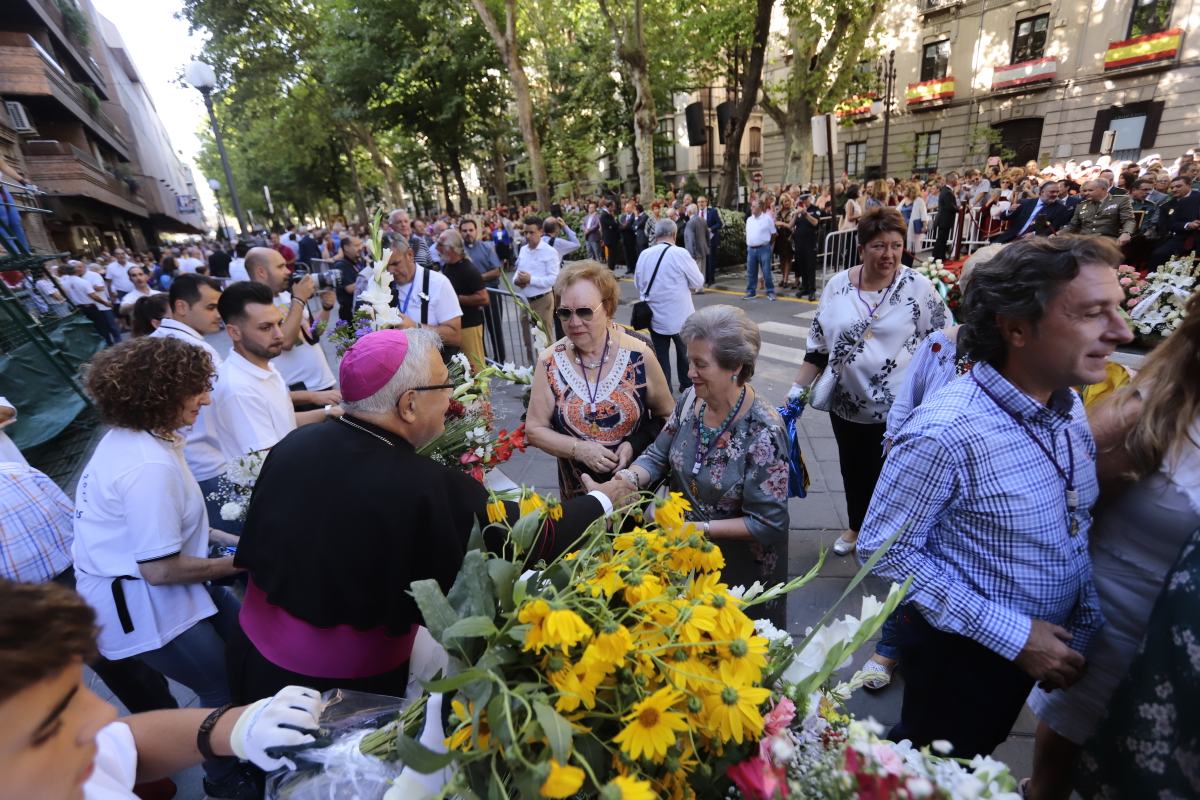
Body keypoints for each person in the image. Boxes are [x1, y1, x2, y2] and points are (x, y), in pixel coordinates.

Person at [226, 328, 621, 701]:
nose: (451, 400)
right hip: (336, 692)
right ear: (409, 404)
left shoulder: (297, 443)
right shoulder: (425, 485)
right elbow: (526, 538)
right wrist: (604, 499)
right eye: (444, 386)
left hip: (250, 663)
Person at [856, 236, 1133, 759]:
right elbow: (884, 547)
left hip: (1039, 650)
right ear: (1017, 328)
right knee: (937, 765)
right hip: (964, 658)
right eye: (1094, 314)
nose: (1122, 331)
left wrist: (1082, 621)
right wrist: (1015, 636)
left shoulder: (1068, 404)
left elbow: (1072, 524)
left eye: (1115, 309)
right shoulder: (946, 432)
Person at [1024, 291, 1200, 800]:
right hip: (1116, 635)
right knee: (1058, 779)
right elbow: (1054, 507)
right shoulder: (1154, 409)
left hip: (1188, 660)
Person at [71, 337, 253, 798]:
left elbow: (177, 530)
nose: (207, 399)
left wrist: (239, 543)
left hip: (156, 584)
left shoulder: (146, 437)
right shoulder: (147, 466)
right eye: (195, 390)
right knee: (219, 685)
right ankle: (224, 778)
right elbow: (160, 568)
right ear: (157, 394)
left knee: (246, 646)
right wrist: (239, 562)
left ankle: (245, 739)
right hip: (146, 603)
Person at [0, 579, 323, 800]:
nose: (105, 714)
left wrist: (236, 727)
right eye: (51, 721)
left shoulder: (56, 762)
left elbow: (126, 744)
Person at [591, 305, 791, 627]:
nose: (690, 372)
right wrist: (623, 482)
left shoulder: (764, 430)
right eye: (689, 360)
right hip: (684, 554)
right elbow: (658, 455)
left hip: (739, 569)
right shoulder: (690, 400)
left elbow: (769, 523)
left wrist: (698, 530)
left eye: (700, 364)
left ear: (735, 367)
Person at [788, 208, 948, 556]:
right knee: (853, 469)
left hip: (900, 408)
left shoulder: (917, 287)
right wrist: (796, 393)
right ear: (861, 248)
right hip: (847, 403)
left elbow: (943, 341)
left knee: (894, 474)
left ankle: (893, 536)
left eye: (895, 245)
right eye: (878, 246)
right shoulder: (837, 286)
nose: (888, 254)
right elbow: (818, 346)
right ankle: (857, 527)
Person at [527, 260, 674, 499]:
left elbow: (669, 416)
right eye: (565, 313)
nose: (574, 323)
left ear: (607, 308)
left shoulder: (638, 354)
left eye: (584, 311)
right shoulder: (549, 362)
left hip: (634, 493)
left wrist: (635, 444)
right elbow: (534, 429)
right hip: (578, 497)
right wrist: (578, 449)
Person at [149, 274, 229, 525]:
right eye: (211, 307)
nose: (219, 314)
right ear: (181, 307)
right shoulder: (194, 349)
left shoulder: (157, 342)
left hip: (188, 460)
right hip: (208, 463)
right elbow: (226, 401)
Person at [244, 247, 340, 409]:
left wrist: (326, 309)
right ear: (261, 272)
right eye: (281, 267)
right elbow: (285, 342)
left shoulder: (288, 296)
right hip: (301, 394)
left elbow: (314, 333)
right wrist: (300, 298)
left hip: (322, 382)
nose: (288, 271)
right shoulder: (254, 305)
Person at [637, 219, 705, 393]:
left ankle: (664, 393)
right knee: (685, 355)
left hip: (654, 317)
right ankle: (687, 387)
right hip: (681, 317)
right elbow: (698, 281)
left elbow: (639, 284)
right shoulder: (679, 253)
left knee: (661, 357)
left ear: (656, 235)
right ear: (674, 235)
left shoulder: (644, 255)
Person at [382, 236, 464, 361]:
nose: (390, 271)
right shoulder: (379, 283)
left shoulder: (438, 283)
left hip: (432, 369)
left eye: (395, 263)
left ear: (410, 254)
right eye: (384, 266)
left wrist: (416, 327)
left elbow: (455, 336)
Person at [437, 229, 489, 371]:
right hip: (456, 326)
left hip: (469, 326)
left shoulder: (468, 269)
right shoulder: (448, 266)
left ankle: (482, 394)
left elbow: (484, 298)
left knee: (475, 369)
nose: (437, 248)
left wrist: (455, 299)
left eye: (440, 244)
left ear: (451, 248)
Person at [461, 218, 505, 363]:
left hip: (491, 294)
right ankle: (482, 360)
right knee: (476, 330)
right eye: (464, 231)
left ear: (476, 231)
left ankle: (500, 360)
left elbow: (496, 271)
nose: (468, 233)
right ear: (460, 232)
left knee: (495, 328)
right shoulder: (459, 252)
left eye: (471, 230)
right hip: (470, 298)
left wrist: (477, 278)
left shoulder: (486, 247)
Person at [514, 214, 561, 339]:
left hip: (543, 300)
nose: (528, 236)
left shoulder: (550, 252)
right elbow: (518, 270)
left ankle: (547, 359)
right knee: (527, 337)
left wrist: (530, 280)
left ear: (540, 232)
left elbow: (553, 279)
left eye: (531, 232)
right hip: (524, 299)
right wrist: (516, 280)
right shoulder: (523, 249)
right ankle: (530, 359)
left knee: (545, 338)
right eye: (525, 233)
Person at [58, 261, 119, 345]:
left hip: (79, 308)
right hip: (91, 308)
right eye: (77, 267)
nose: (79, 269)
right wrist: (105, 303)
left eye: (80, 267)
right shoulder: (83, 282)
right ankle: (108, 344)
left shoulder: (65, 283)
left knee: (97, 328)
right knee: (101, 328)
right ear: (75, 271)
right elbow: (93, 296)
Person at [991, 180, 1072, 243]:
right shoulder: (1025, 203)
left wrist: (1034, 235)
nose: (1055, 194)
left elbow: (1053, 228)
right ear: (1042, 191)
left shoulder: (1060, 209)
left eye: (1057, 192)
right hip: (1010, 237)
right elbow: (1003, 217)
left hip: (1033, 243)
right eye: (1052, 192)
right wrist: (1009, 210)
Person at [1148, 175, 1200, 269]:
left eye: (1178, 186)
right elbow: (1167, 225)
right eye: (1172, 187)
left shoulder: (1197, 197)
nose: (1174, 189)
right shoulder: (1167, 206)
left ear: (1189, 185)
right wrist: (1188, 225)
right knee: (1159, 254)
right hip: (1180, 237)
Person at [1060, 179, 1135, 243]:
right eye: (1085, 191)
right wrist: (1059, 233)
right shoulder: (1081, 205)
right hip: (1084, 242)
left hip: (1107, 242)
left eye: (1090, 190)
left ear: (1103, 189)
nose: (1086, 193)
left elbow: (1128, 220)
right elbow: (1072, 225)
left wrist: (1126, 233)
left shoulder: (1120, 200)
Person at [743, 196, 777, 301]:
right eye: (751, 206)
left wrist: (768, 244)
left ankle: (770, 291)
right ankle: (751, 292)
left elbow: (774, 234)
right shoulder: (749, 219)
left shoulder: (767, 219)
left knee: (766, 271)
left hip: (764, 248)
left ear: (760, 208)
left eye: (753, 206)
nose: (751, 208)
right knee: (751, 272)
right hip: (751, 249)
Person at [791, 194, 824, 300]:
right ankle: (805, 288)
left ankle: (812, 290)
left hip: (810, 242)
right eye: (801, 200)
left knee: (810, 267)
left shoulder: (815, 209)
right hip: (799, 243)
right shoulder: (798, 211)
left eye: (805, 200)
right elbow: (791, 225)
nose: (803, 202)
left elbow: (815, 223)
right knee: (802, 266)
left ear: (809, 199)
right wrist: (796, 214)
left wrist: (805, 213)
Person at [330, 234, 363, 322]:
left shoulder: (357, 261)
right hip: (349, 314)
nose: (360, 248)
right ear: (346, 248)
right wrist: (369, 278)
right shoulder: (341, 265)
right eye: (356, 245)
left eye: (360, 244)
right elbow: (350, 288)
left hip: (357, 310)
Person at [696, 195, 723, 287]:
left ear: (706, 202)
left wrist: (711, 229)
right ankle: (704, 278)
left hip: (711, 239)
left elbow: (720, 224)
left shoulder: (713, 211)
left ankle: (711, 279)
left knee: (711, 259)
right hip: (701, 240)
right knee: (703, 259)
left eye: (702, 202)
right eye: (699, 202)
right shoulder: (696, 213)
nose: (701, 204)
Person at [931, 173, 958, 260]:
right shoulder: (947, 191)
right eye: (956, 179)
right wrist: (960, 209)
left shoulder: (946, 190)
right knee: (941, 240)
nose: (957, 181)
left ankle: (940, 256)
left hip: (944, 219)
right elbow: (949, 206)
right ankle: (937, 257)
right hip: (944, 219)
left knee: (942, 239)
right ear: (952, 180)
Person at [684, 203, 709, 284]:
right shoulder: (703, 220)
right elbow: (707, 235)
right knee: (702, 270)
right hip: (704, 249)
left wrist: (691, 253)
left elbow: (690, 239)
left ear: (689, 212)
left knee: (696, 271)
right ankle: (700, 287)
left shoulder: (690, 223)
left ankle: (697, 287)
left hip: (695, 251)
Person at [776, 193, 796, 289]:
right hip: (780, 238)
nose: (787, 203)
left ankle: (786, 280)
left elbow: (792, 226)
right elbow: (775, 222)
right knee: (781, 259)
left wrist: (782, 224)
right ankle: (783, 277)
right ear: (782, 203)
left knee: (788, 259)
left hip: (789, 237)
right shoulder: (778, 212)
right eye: (785, 201)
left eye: (788, 200)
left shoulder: (793, 211)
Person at [600, 199, 622, 272]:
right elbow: (613, 224)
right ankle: (610, 272)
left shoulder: (609, 214)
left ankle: (611, 271)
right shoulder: (604, 215)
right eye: (613, 207)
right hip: (610, 239)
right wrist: (616, 223)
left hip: (613, 238)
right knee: (612, 256)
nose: (614, 208)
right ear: (609, 207)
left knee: (613, 256)